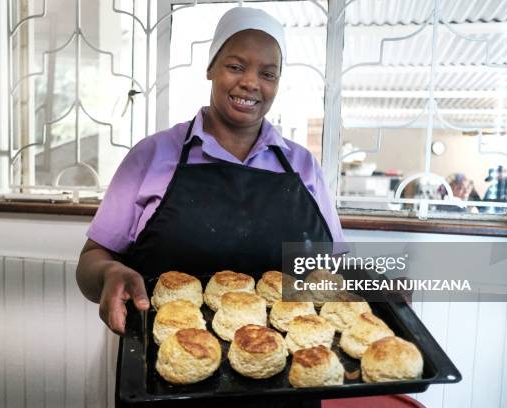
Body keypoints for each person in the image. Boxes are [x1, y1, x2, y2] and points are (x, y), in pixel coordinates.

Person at [76, 7, 345, 407]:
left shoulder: (303, 166)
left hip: (288, 384)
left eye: (268, 73)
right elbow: (90, 262)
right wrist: (110, 272)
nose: (251, 83)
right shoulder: (153, 155)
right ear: (210, 68)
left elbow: (332, 270)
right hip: (169, 382)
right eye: (236, 66)